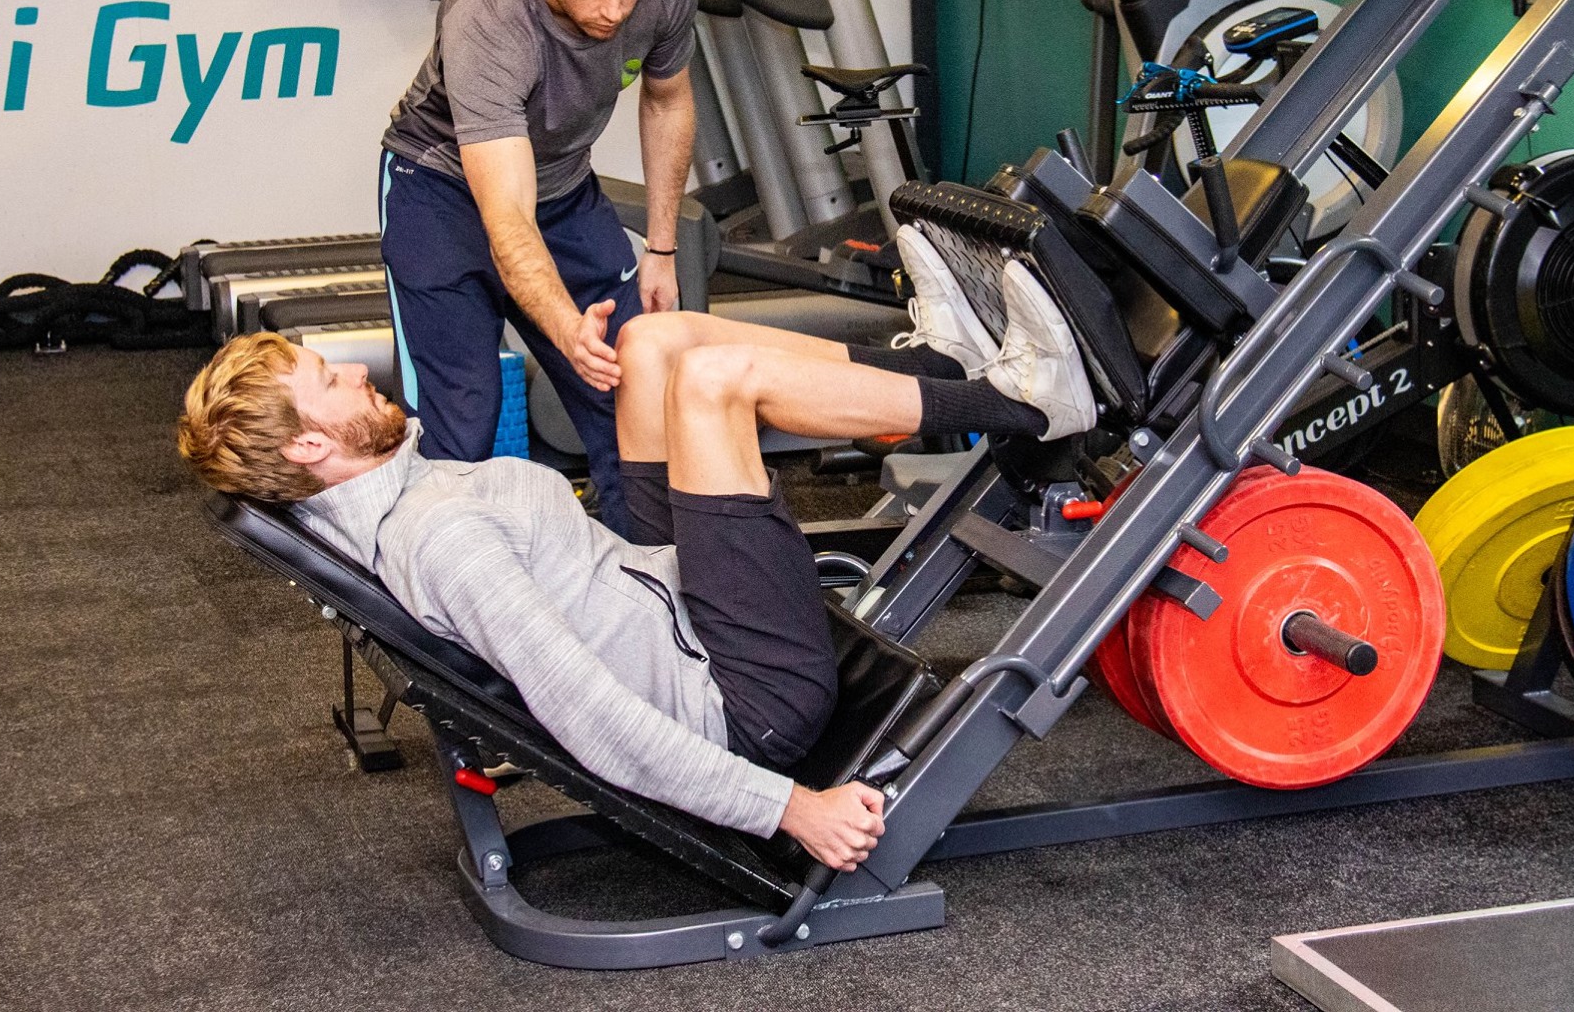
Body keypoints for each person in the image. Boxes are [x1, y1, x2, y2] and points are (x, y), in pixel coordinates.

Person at [176, 229, 1097, 867]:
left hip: (661, 597)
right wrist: (795, 811)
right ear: (307, 448)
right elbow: (595, 722)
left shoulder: (395, 497)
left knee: (654, 343)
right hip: (742, 691)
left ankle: (938, 363)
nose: (353, 372)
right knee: (714, 382)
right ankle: (1024, 401)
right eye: (328, 382)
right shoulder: (443, 541)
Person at [377, 0, 701, 540]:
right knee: (465, 422)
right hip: (442, 193)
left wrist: (662, 250)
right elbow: (505, 219)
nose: (613, 11)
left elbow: (667, 99)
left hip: (563, 189)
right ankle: (448, 615)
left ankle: (648, 596)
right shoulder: (489, 18)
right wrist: (564, 328)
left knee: (635, 397)